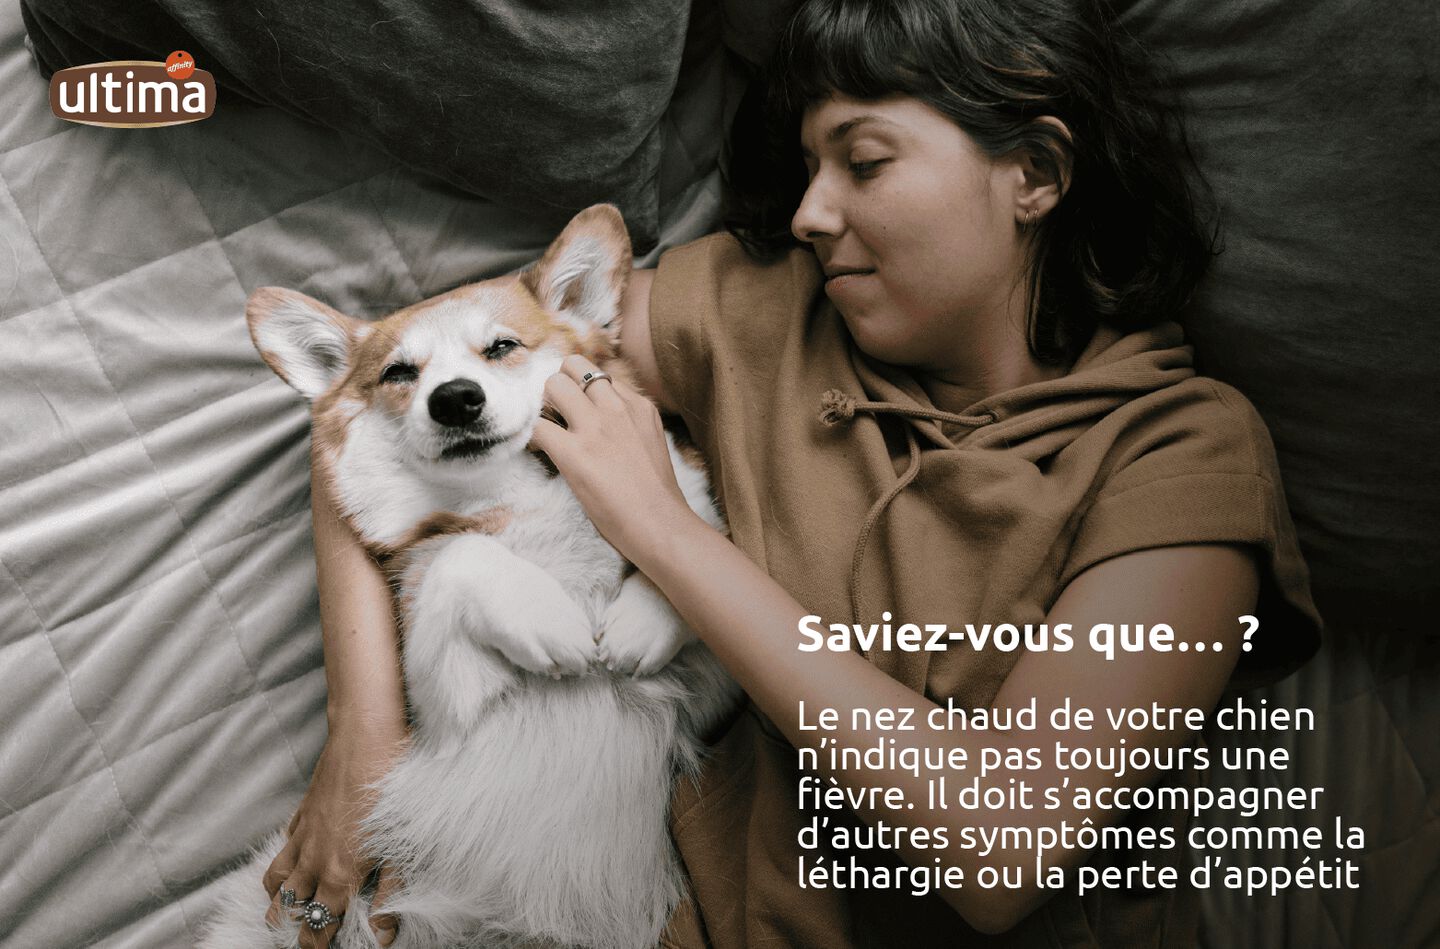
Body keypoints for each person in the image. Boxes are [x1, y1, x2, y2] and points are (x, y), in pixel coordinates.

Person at [261, 0, 1320, 946]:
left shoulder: (1183, 447)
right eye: (809, 169)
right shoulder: (761, 304)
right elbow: (388, 404)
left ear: (1036, 172)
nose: (810, 214)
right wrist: (365, 729)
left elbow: (1002, 849)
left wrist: (668, 536)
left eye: (863, 163)